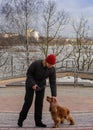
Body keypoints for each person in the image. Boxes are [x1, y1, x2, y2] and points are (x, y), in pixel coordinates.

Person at [17, 54, 57, 128]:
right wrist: (33, 84)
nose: (51, 66)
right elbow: (29, 74)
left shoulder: (52, 69)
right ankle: (21, 119)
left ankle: (38, 122)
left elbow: (53, 82)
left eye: (52, 65)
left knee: (39, 103)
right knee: (28, 102)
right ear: (46, 61)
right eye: (50, 64)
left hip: (41, 85)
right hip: (30, 83)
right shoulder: (36, 64)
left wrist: (54, 95)